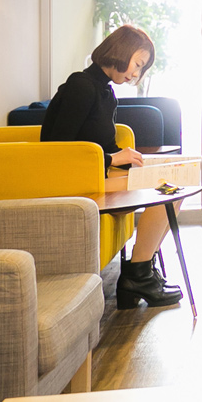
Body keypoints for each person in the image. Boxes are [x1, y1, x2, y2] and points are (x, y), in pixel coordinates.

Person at [42, 23, 182, 310]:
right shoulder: (80, 86)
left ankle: (142, 270)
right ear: (122, 51)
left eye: (141, 69)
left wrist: (122, 154)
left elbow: (98, 142)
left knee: (172, 185)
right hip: (74, 184)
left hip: (94, 176)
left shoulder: (105, 92)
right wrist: (111, 159)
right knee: (166, 191)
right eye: (138, 64)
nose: (136, 74)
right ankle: (138, 275)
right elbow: (57, 148)